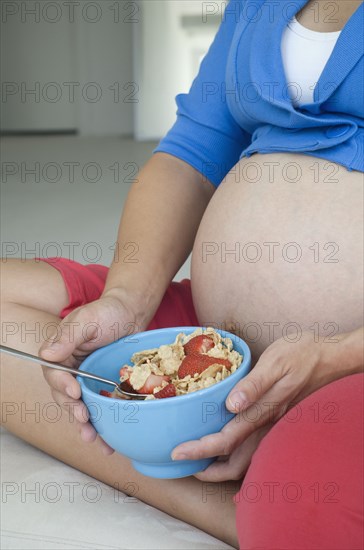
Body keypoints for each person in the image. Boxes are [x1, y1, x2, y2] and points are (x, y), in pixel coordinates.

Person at [1, 0, 363, 548]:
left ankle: (239, 502)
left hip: (348, 358)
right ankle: (213, 471)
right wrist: (127, 297)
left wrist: (339, 353)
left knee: (300, 518)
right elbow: (192, 153)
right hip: (210, 336)